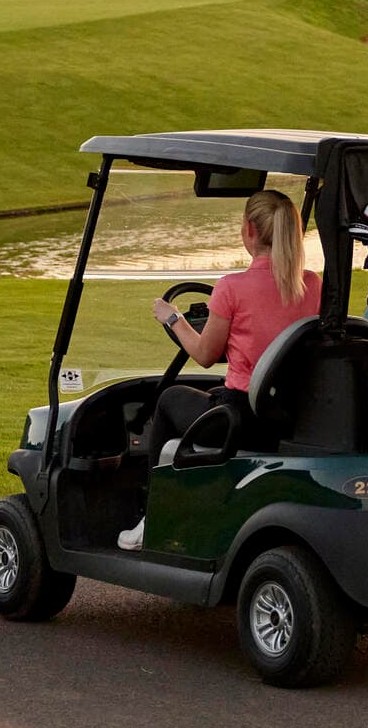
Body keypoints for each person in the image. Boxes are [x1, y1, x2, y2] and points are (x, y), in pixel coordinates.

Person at [118, 187, 320, 550]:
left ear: (249, 231)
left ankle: (153, 516)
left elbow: (205, 353)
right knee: (210, 396)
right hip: (292, 417)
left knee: (168, 400)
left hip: (241, 421)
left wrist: (174, 318)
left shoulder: (231, 288)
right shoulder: (314, 285)